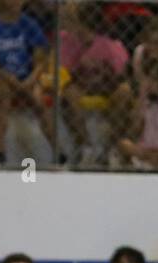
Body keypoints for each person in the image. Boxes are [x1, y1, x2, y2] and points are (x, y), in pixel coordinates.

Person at [0, 0, 62, 167]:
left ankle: (59, 152)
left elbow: (40, 59)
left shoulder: (28, 23)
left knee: (39, 101)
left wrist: (31, 79)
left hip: (25, 76)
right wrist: (10, 79)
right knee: (3, 96)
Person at [55, 1, 129, 168]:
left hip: (106, 86)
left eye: (73, 21)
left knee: (124, 92)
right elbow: (67, 72)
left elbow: (121, 76)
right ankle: (85, 146)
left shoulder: (110, 45)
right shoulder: (68, 41)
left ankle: (110, 148)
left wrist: (105, 77)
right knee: (69, 93)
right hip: (82, 86)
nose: (69, 25)